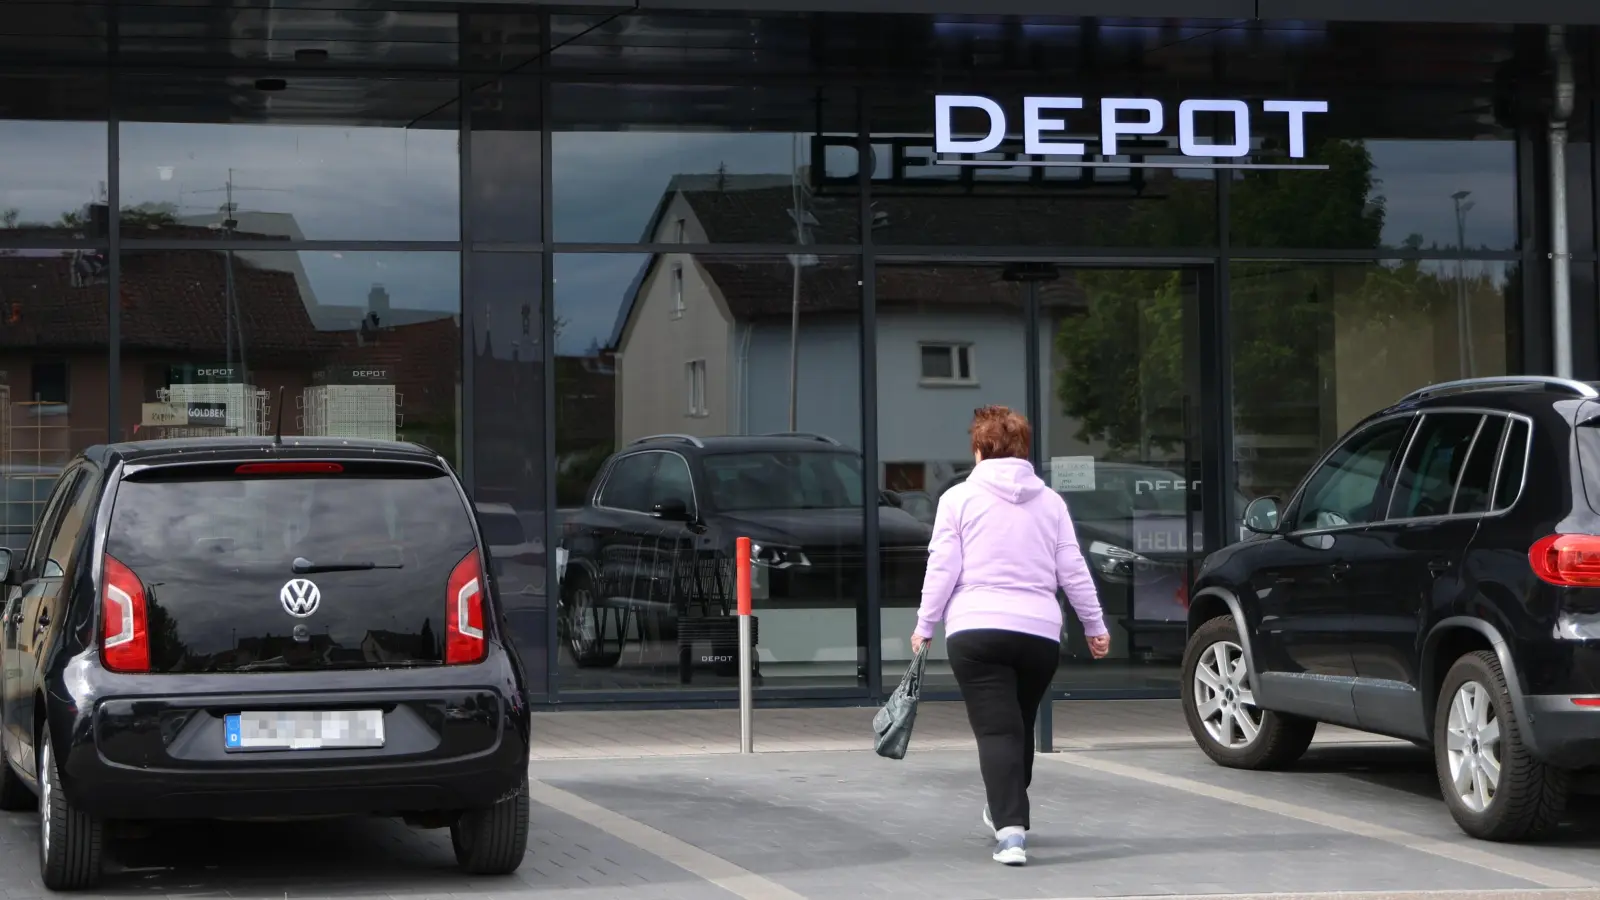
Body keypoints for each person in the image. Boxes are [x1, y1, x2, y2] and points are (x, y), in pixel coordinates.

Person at [910, 405, 1109, 867]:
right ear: (1022, 449)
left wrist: (925, 625)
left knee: (998, 730)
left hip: (977, 631)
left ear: (980, 449)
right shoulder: (1051, 503)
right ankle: (1005, 807)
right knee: (1015, 726)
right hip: (1038, 634)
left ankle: (1011, 833)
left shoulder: (958, 499)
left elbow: (943, 568)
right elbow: (1073, 570)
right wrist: (1095, 625)